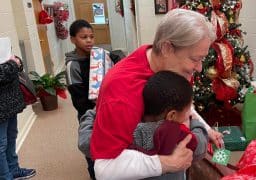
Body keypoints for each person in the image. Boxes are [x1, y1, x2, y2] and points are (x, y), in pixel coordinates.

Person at [90, 8, 223, 179]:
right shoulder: (122, 92)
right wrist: (167, 163)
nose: (199, 68)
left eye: (201, 59)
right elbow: (104, 168)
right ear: (167, 48)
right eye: (194, 59)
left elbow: (183, 104)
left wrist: (205, 127)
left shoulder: (173, 68)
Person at [130, 70, 208, 180]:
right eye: (187, 111)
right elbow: (200, 147)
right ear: (171, 115)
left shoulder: (131, 128)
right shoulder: (175, 132)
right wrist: (195, 123)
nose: (188, 114)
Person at [65, 19, 96, 180]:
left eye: (91, 36)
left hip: (106, 109)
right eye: (84, 37)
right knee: (91, 149)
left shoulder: (98, 56)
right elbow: (79, 102)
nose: (89, 40)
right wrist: (95, 105)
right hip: (88, 114)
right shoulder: (73, 66)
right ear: (72, 39)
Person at [0, 56, 36, 179]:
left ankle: (14, 169)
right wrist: (13, 64)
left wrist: (17, 62)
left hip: (10, 101)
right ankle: (5, 176)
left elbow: (18, 64)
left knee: (11, 136)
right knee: (1, 144)